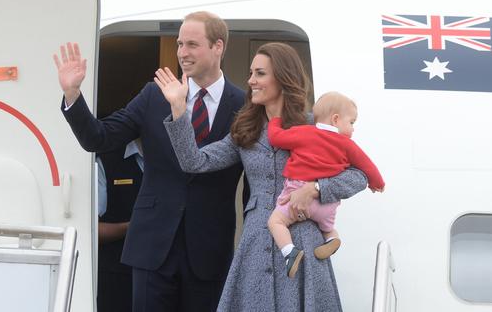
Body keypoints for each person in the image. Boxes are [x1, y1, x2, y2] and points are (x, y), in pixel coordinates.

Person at [53, 11, 246, 312]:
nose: (183, 53)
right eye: (180, 44)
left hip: (210, 249)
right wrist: (72, 94)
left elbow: (254, 181)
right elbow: (99, 138)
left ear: (218, 47)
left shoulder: (244, 106)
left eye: (192, 45)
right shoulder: (153, 96)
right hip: (152, 246)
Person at [155, 42, 369, 311]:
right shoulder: (246, 130)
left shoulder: (313, 125)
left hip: (304, 243)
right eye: (251, 73)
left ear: (282, 78)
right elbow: (195, 162)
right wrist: (178, 109)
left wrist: (315, 188)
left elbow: (359, 176)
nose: (251, 81)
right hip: (256, 244)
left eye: (260, 74)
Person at [267, 91, 385, 278]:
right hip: (327, 206)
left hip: (295, 193)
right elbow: (367, 165)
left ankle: (289, 252)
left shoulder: (304, 132)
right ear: (336, 119)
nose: (353, 129)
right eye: (352, 122)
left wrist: (275, 120)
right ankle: (332, 239)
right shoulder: (347, 145)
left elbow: (276, 138)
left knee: (276, 221)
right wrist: (377, 183)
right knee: (328, 228)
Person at [96, 140, 143, 312]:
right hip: (115, 275)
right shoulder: (107, 161)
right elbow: (90, 230)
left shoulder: (176, 160)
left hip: (164, 277)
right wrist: (132, 227)